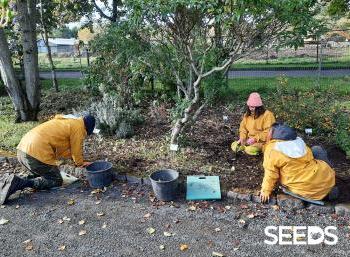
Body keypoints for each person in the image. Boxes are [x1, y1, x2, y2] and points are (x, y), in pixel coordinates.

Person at [0, 114, 96, 205]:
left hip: (22, 150)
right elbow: (76, 149)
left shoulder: (68, 121)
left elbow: (63, 148)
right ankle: (22, 183)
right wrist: (80, 163)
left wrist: (73, 160)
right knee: (55, 179)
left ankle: (11, 181)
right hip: (35, 153)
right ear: (87, 128)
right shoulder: (79, 127)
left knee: (43, 174)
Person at [260, 123, 336, 203]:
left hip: (303, 189)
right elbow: (310, 157)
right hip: (325, 181)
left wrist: (266, 191)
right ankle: (328, 185)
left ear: (272, 134)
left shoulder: (272, 149)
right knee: (317, 150)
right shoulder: (299, 142)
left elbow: (270, 173)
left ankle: (321, 191)